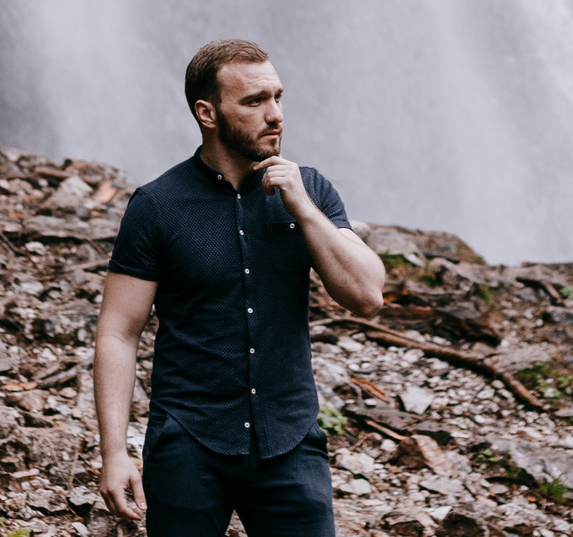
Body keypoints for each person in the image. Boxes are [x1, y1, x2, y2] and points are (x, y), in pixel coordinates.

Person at [94, 39, 389, 537]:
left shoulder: (310, 189)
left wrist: (303, 209)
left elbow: (367, 296)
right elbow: (118, 332)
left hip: (291, 443)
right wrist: (114, 453)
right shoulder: (157, 205)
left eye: (277, 97)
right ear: (207, 113)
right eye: (254, 102)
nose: (274, 114)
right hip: (188, 441)